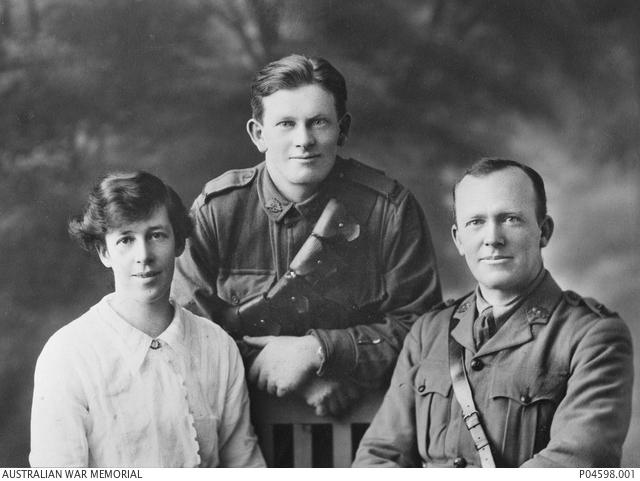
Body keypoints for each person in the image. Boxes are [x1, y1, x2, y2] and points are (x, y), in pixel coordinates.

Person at [171, 54, 442, 418]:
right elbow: (184, 328)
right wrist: (305, 376)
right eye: (286, 124)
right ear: (258, 134)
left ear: (342, 129)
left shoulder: (389, 210)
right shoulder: (218, 211)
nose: (304, 140)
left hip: (365, 432)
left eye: (318, 123)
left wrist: (318, 351)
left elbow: (423, 329)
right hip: (242, 432)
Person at [353, 158, 633, 468]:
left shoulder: (592, 336)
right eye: (476, 222)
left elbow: (575, 465)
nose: (492, 238)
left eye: (511, 219)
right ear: (459, 239)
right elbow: (377, 458)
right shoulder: (428, 332)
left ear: (544, 231)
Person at [30, 172, 265, 467]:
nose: (144, 255)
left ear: (179, 244)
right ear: (105, 252)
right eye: (126, 239)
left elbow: (244, 465)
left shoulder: (217, 346)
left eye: (156, 235)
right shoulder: (68, 354)